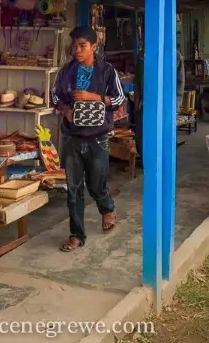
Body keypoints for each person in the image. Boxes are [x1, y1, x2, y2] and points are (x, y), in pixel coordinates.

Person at [51, 26, 124, 252]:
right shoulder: (66, 72)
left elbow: (120, 99)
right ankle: (77, 234)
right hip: (72, 136)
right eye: (74, 45)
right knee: (73, 188)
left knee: (96, 184)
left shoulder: (107, 71)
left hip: (98, 136)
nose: (77, 50)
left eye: (82, 46)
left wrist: (94, 97)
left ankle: (107, 208)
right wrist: (65, 111)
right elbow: (55, 96)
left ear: (94, 46)